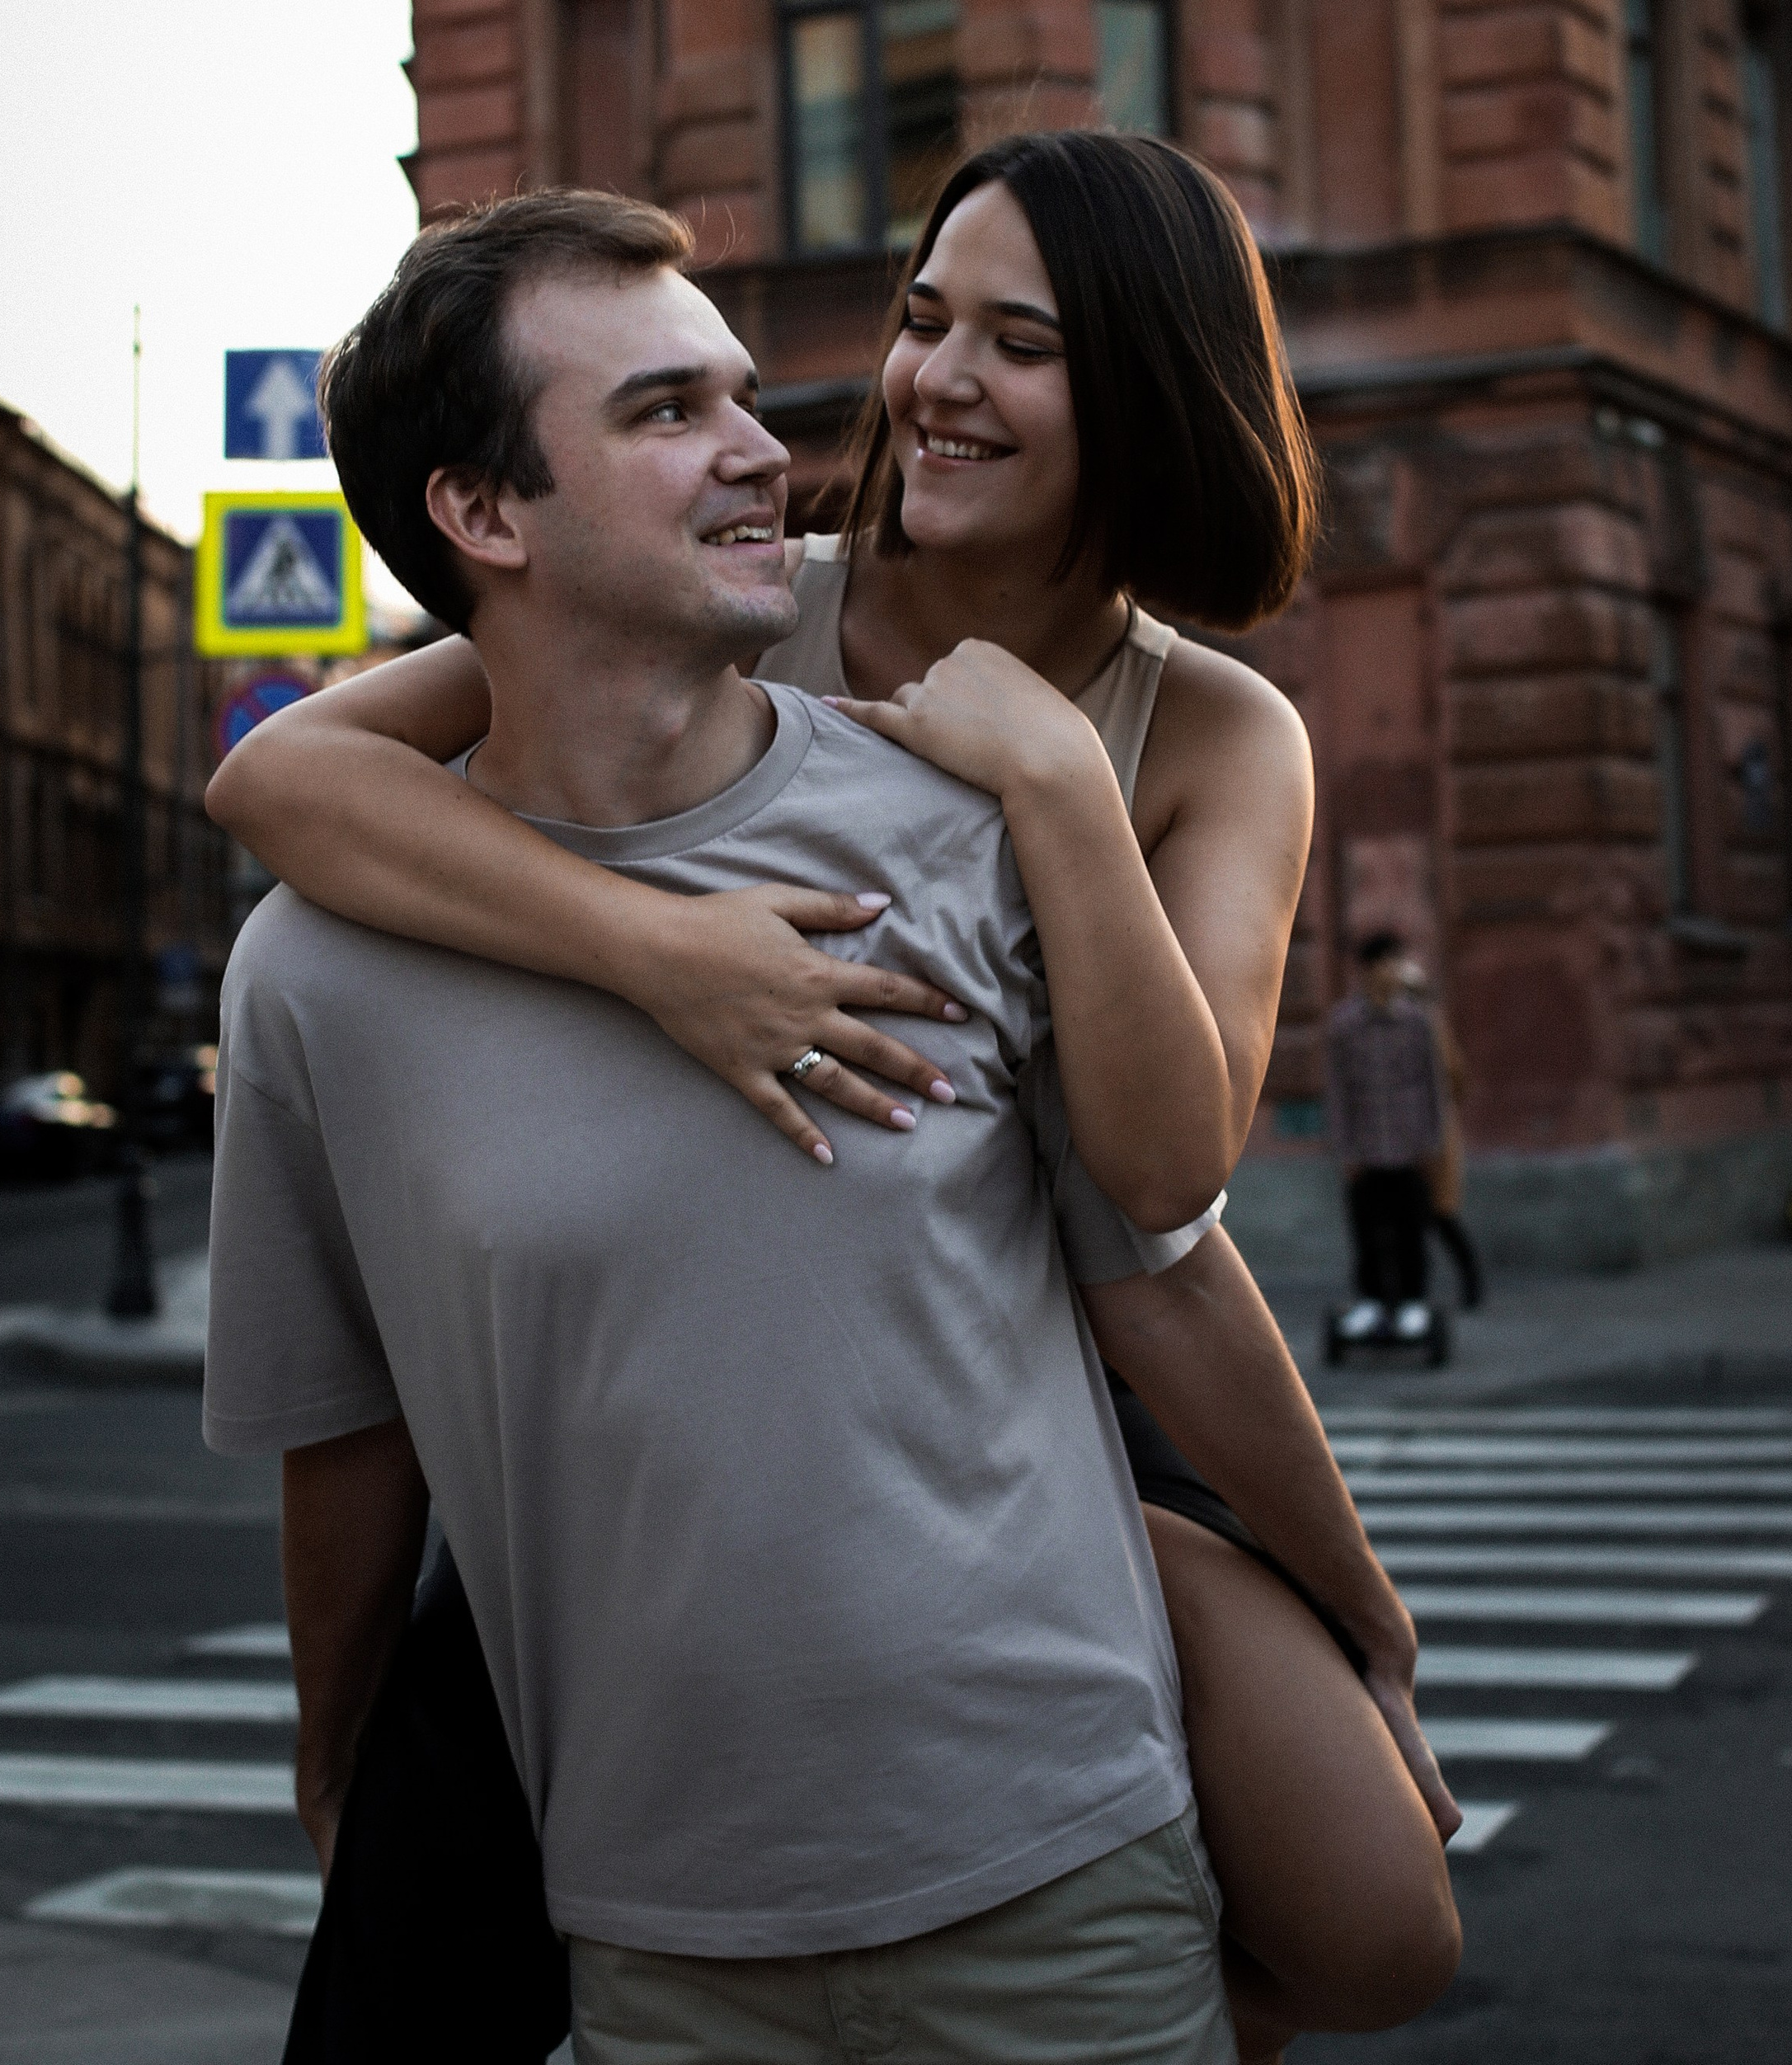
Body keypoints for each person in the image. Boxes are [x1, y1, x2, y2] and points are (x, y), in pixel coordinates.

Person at [212, 138, 1463, 2064]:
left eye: (1018, 341)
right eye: (919, 318)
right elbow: (282, 787)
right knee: (405, 1959)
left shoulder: (1202, 728)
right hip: (637, 1461)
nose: (921, 381)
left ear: (1139, 381)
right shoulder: (736, 586)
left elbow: (1160, 1191)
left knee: (1377, 1924)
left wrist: (1052, 783)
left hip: (1057, 1362)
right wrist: (663, 951)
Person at [1326, 934, 1448, 1346]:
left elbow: (1433, 1082)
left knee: (1411, 1227)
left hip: (1409, 1145)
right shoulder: (1343, 1025)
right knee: (1366, 1228)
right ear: (1370, 968)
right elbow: (1337, 1090)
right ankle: (1371, 1300)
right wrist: (1344, 1150)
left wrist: (1433, 1141)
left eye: (1401, 963)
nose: (1396, 972)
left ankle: (1414, 1300)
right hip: (1365, 1147)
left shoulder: (1416, 1021)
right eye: (1389, 963)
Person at [1402, 960, 1484, 1310]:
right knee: (1432, 1216)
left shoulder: (1425, 1026)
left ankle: (1455, 1286)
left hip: (1431, 1138)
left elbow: (1453, 1077)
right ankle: (1449, 1288)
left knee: (1438, 1214)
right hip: (1425, 1134)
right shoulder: (1427, 1024)